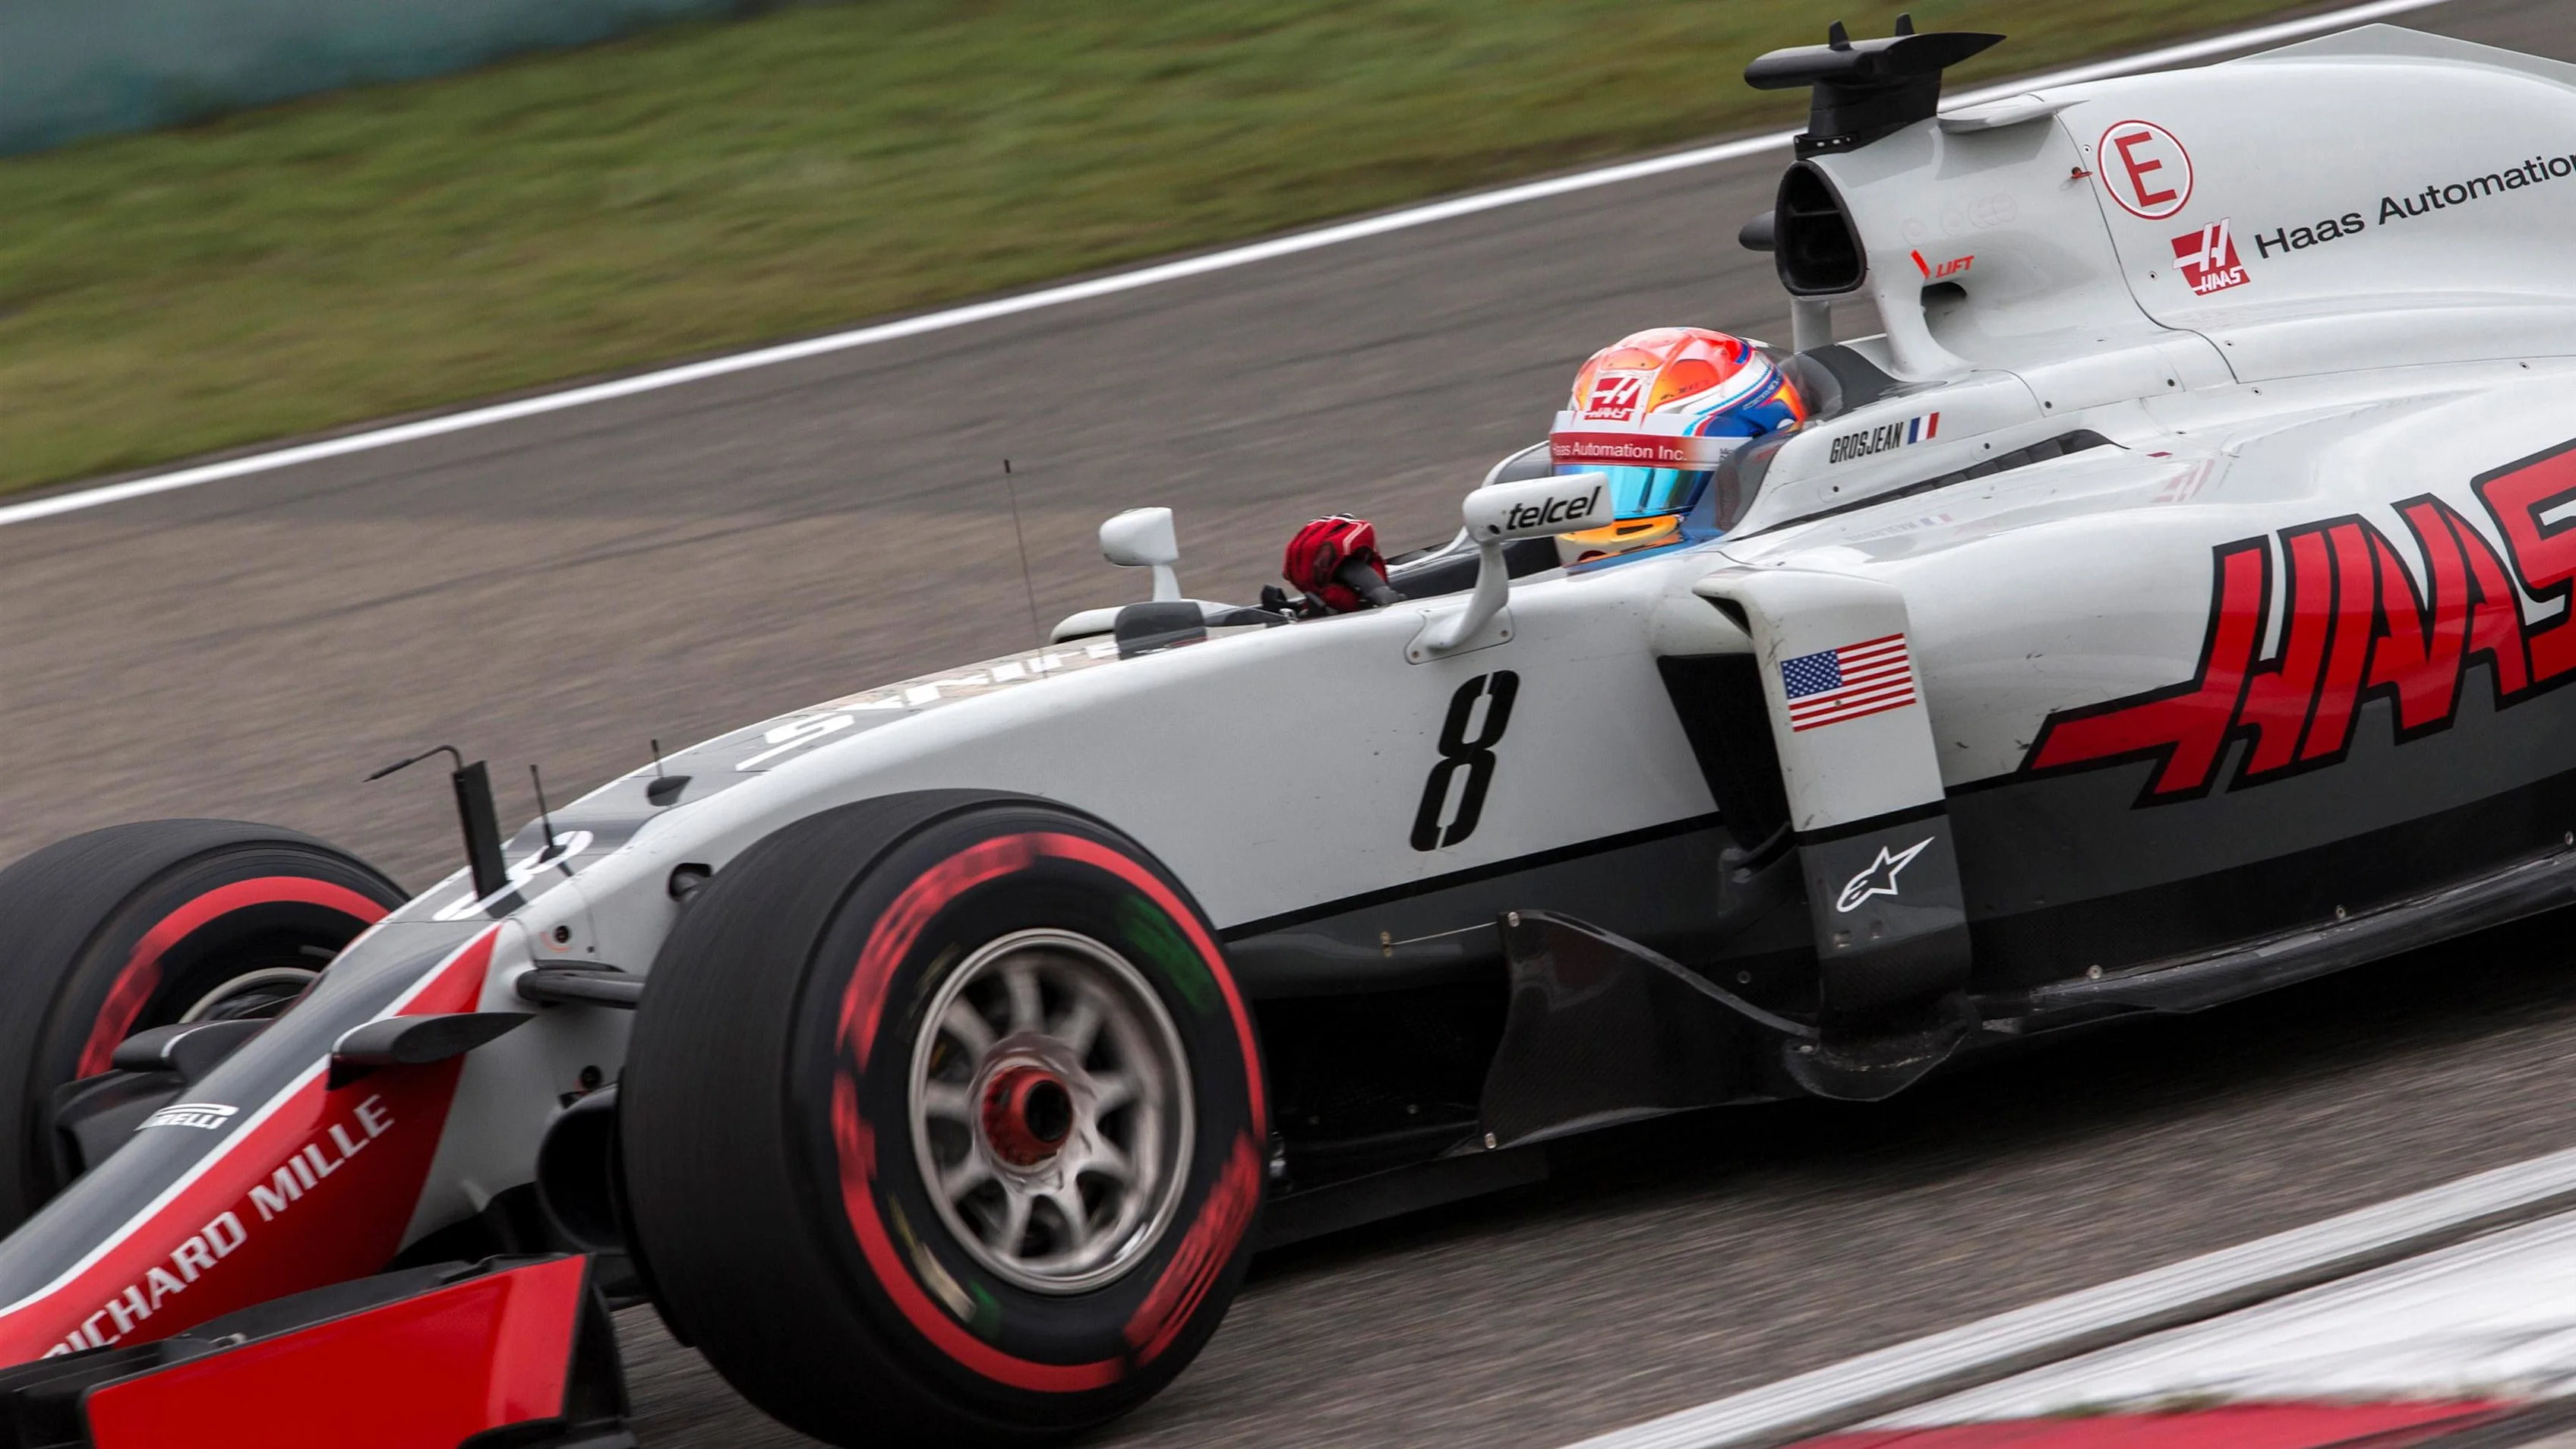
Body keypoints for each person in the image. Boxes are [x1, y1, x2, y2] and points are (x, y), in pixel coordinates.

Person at [1279, 326, 1805, 610]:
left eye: (1650, 473)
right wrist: (1370, 589)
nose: (1611, 510)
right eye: (1596, 468)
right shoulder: (1577, 536)